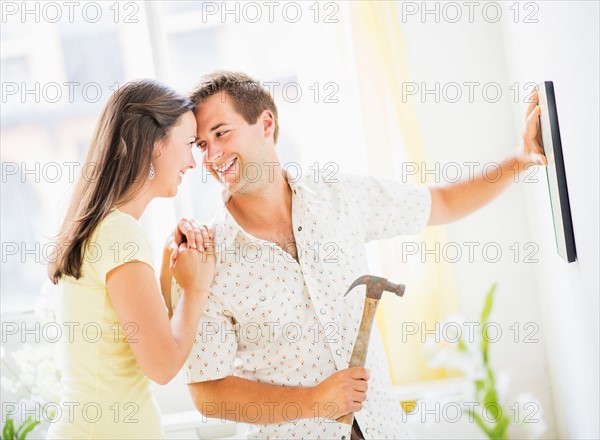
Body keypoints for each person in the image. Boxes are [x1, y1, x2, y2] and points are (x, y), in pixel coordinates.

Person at [170, 71, 545, 439]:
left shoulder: (340, 199)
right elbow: (207, 391)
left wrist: (521, 158)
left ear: (265, 123)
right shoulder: (207, 257)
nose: (213, 155)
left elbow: (441, 203)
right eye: (201, 145)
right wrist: (314, 401)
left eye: (221, 133)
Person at [47, 79, 215, 439]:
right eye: (189, 144)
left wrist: (170, 266)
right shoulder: (121, 233)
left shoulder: (107, 227)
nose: (192, 161)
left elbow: (140, 338)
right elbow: (162, 365)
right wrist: (196, 287)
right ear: (155, 144)